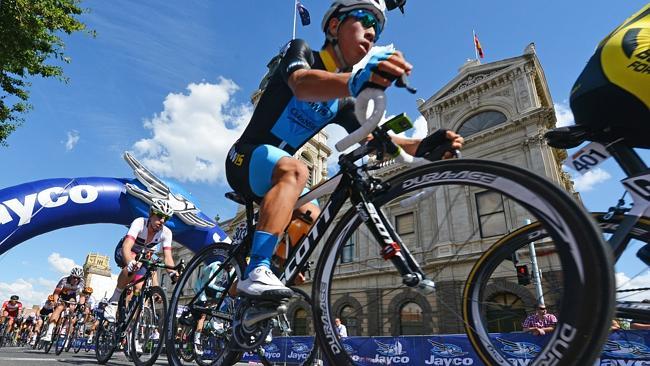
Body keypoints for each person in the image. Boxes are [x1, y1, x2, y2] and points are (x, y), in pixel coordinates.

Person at [225, 0, 463, 300]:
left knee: (312, 211)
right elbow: (301, 84)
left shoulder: (343, 102)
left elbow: (376, 139)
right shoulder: (302, 52)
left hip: (278, 177)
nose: (370, 34)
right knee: (297, 169)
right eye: (364, 21)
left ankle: (269, 271)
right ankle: (257, 270)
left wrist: (423, 146)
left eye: (375, 31)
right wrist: (357, 81)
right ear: (335, 25)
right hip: (245, 158)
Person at [104, 199, 179, 319]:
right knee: (134, 261)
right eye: (159, 216)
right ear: (151, 214)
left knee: (139, 286)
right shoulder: (139, 223)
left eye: (166, 218)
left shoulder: (166, 233)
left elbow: (168, 257)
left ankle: (130, 319)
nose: (162, 221)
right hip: (124, 252)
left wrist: (173, 273)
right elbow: (127, 246)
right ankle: (114, 300)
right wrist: (130, 262)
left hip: (141, 257)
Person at [192, 261, 235, 355]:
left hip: (214, 291)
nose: (229, 270)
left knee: (226, 300)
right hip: (202, 287)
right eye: (228, 268)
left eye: (231, 268)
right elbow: (209, 284)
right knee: (203, 314)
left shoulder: (232, 270)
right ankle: (197, 340)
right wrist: (225, 290)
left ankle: (216, 321)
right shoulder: (216, 265)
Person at [42, 266, 86, 342]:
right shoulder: (64, 280)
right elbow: (56, 293)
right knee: (59, 307)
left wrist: (81, 304)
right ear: (71, 276)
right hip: (62, 295)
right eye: (74, 277)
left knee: (72, 306)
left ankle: (67, 323)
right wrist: (55, 301)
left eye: (78, 278)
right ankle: (49, 333)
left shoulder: (81, 282)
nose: (76, 280)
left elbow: (82, 296)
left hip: (72, 296)